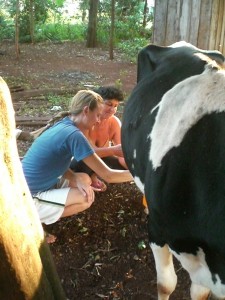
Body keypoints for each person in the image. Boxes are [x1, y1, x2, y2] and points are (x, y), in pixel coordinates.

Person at [22, 90, 133, 237]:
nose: (99, 120)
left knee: (84, 179)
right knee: (85, 199)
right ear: (86, 110)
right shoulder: (74, 135)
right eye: (97, 115)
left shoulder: (64, 124)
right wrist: (144, 175)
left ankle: (40, 216)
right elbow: (109, 175)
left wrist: (74, 177)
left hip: (28, 182)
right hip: (27, 196)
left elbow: (54, 163)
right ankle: (30, 223)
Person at [70, 86, 127, 190]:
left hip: (98, 162)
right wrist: (113, 151)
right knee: (83, 162)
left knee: (125, 165)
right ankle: (84, 181)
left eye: (115, 106)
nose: (112, 110)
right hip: (78, 162)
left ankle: (93, 177)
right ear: (98, 103)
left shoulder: (114, 122)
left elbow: (122, 152)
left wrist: (135, 169)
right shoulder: (85, 121)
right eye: (109, 104)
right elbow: (87, 154)